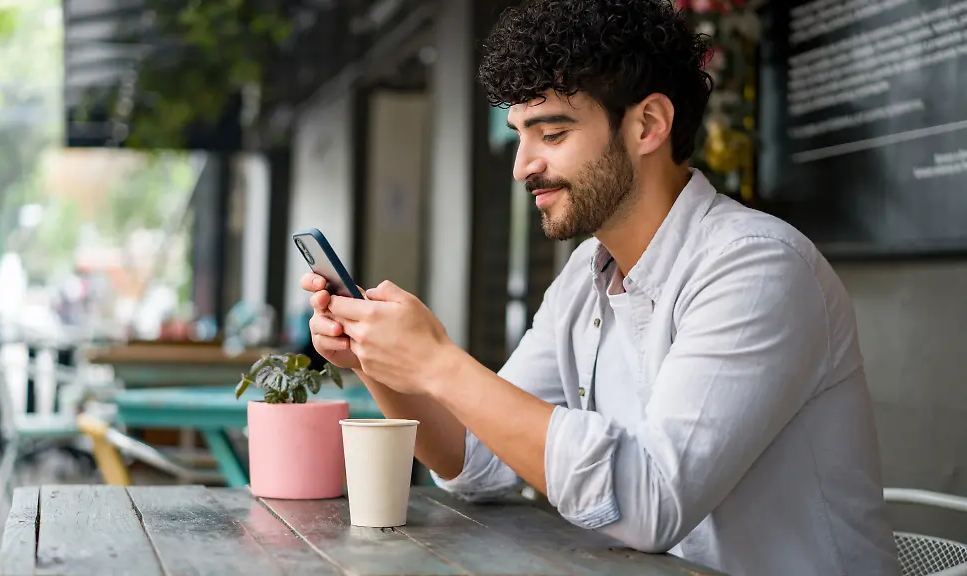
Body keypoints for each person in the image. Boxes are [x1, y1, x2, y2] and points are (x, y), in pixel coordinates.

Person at [301, 1, 899, 574]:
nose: (521, 165)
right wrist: (380, 359)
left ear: (648, 125)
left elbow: (650, 503)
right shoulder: (587, 276)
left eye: (552, 134)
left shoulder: (757, 268)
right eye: (518, 135)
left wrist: (438, 363)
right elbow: (477, 460)